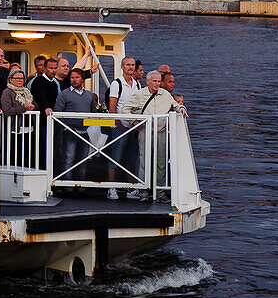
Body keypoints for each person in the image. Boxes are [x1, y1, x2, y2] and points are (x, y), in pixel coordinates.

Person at [120, 70, 188, 201]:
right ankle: (143, 193)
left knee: (161, 164)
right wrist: (135, 123)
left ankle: (160, 193)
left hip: (161, 132)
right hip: (145, 132)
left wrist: (182, 109)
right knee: (144, 162)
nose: (157, 84)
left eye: (158, 81)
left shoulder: (165, 94)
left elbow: (175, 106)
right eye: (154, 81)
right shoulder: (140, 95)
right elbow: (125, 109)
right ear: (148, 82)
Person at [50, 68, 98, 192]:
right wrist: (66, 127)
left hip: (85, 132)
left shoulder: (89, 95)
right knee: (68, 160)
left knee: (83, 161)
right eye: (72, 77)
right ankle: (68, 188)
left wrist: (91, 127)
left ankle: (80, 187)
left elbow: (94, 112)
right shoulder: (64, 94)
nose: (74, 80)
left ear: (82, 79)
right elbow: (57, 112)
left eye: (77, 77)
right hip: (70, 133)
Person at [104, 56, 143, 198]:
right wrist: (118, 123)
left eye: (132, 65)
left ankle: (130, 188)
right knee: (115, 157)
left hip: (133, 127)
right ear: (122, 66)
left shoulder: (137, 85)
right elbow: (112, 106)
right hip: (120, 127)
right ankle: (111, 188)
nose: (130, 67)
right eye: (128, 65)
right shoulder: (117, 84)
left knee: (131, 157)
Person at [0, 67, 38, 166]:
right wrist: (24, 108)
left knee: (28, 157)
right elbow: (7, 110)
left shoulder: (27, 92)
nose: (20, 80)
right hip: (15, 130)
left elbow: (36, 106)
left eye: (22, 78)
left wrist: (32, 107)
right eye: (17, 78)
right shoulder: (7, 92)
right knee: (16, 157)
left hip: (30, 129)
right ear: (11, 79)